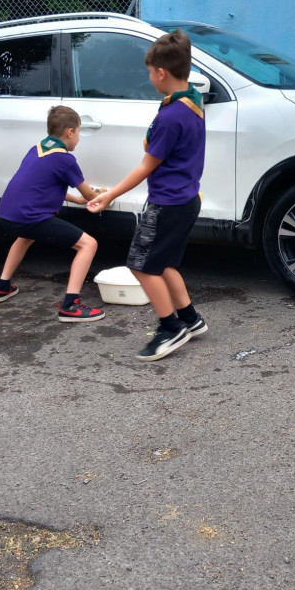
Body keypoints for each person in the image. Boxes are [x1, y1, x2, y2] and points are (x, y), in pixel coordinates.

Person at [87, 29, 207, 361]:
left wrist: (109, 195)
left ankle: (170, 328)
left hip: (167, 203)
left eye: (150, 71)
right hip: (187, 200)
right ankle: (190, 319)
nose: (149, 77)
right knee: (163, 261)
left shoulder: (171, 117)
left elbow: (145, 167)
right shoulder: (192, 99)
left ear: (161, 72)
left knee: (141, 265)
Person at [0, 106, 106, 322]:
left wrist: (78, 200)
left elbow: (43, 187)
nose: (78, 138)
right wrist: (101, 197)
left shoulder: (36, 149)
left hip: (7, 214)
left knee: (25, 237)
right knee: (88, 244)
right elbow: (90, 194)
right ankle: (70, 306)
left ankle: (2, 287)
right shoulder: (65, 159)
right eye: (79, 133)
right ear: (70, 132)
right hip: (30, 217)